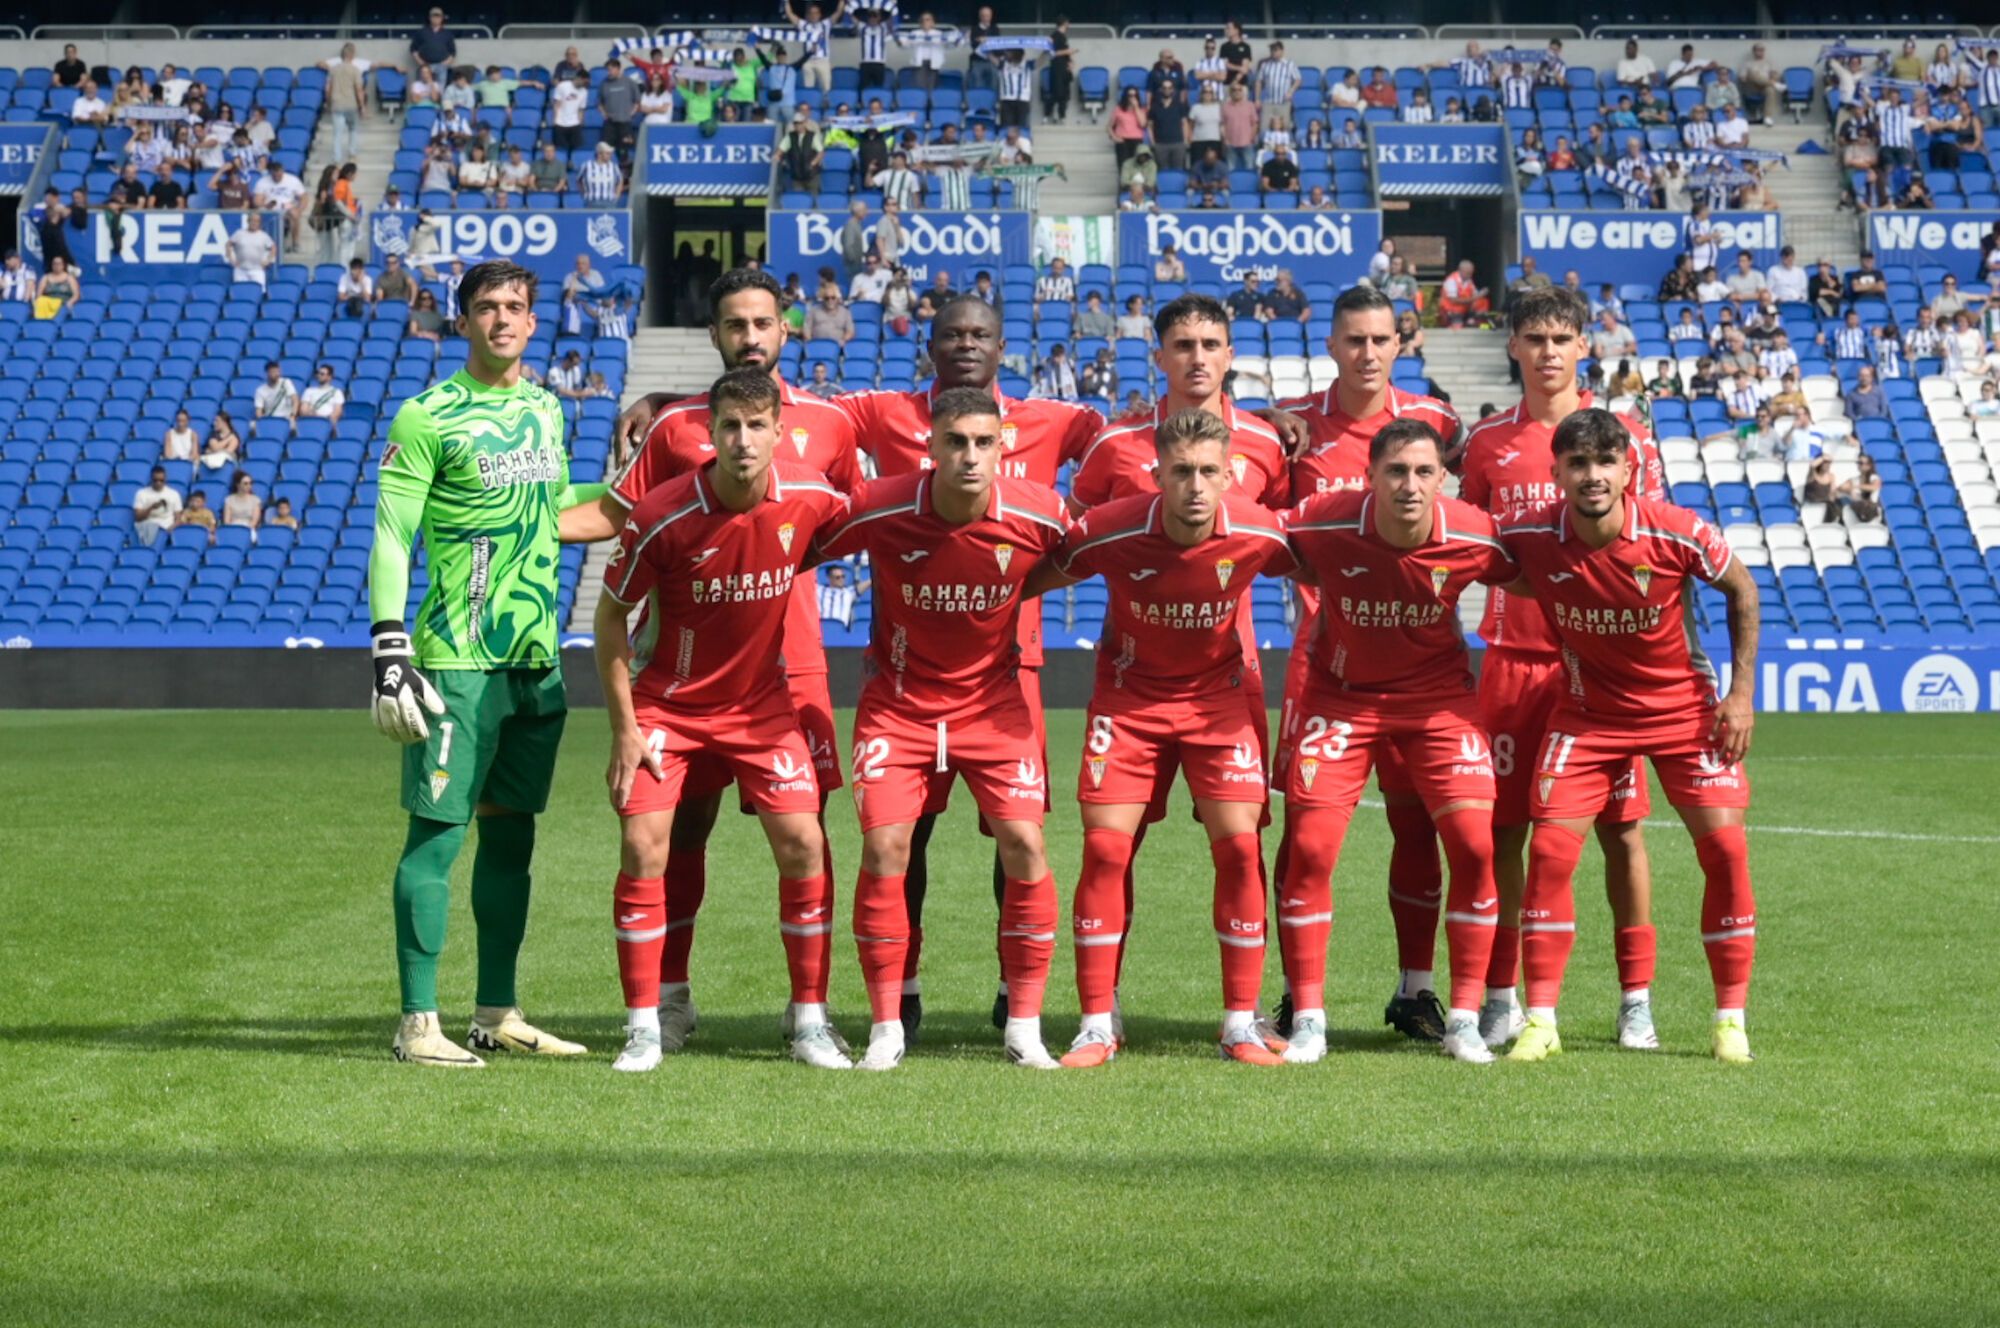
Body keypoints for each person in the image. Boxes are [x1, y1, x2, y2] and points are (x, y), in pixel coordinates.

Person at [368, 259, 605, 1069]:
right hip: (456, 662)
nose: (501, 319)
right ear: (462, 321)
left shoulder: (544, 409)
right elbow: (393, 533)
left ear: (534, 321)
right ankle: (416, 1023)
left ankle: (497, 1012)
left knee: (513, 842)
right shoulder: (427, 414)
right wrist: (390, 645)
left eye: (515, 306)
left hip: (534, 660)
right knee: (436, 839)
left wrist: (650, 490)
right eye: (485, 307)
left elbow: (556, 513)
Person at [593, 367, 851, 1072]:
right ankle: (645, 1026)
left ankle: (809, 1023)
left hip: (762, 707)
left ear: (778, 432)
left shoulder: (812, 497)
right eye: (730, 426)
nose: (743, 440)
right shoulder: (665, 515)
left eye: (756, 426)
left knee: (805, 841)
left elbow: (872, 527)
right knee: (646, 847)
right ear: (709, 433)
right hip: (668, 705)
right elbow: (609, 620)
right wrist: (624, 729)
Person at [1024, 408, 1296, 1068]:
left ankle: (1238, 1023)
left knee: (1238, 849)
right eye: (1181, 472)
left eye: (1208, 472)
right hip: (1131, 704)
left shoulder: (1261, 531)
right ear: (1157, 475)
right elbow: (1032, 578)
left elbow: (1330, 570)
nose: (1196, 486)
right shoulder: (1109, 532)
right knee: (1106, 852)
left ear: (1230, 475)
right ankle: (1095, 1023)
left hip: (1218, 705)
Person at [813, 386, 1071, 1071]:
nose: (969, 456)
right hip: (898, 707)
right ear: (929, 447)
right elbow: (797, 546)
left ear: (1004, 445)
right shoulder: (883, 505)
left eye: (983, 442)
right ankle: (886, 1026)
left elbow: (1083, 554)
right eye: (955, 442)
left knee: (1024, 844)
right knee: (887, 851)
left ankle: (1023, 1025)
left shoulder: (1040, 512)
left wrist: (1019, 584)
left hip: (995, 706)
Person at [1498, 408, 1761, 1065]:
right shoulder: (1531, 534)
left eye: (1605, 462)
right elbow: (1474, 558)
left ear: (1628, 469)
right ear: (1555, 472)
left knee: (1725, 851)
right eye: (1578, 463)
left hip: (1684, 712)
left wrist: (1740, 695)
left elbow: (1742, 588)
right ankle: (1541, 1021)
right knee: (1552, 855)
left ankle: (1730, 1020)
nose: (1592, 476)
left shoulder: (1676, 532)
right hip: (1587, 715)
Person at [1456, 287, 1665, 1052]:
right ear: (1512, 346)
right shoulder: (1484, 445)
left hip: (1601, 672)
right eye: (1534, 337)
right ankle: (1504, 996)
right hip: (1512, 663)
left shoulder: (1628, 437)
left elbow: (1654, 549)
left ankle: (1634, 999)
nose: (1548, 351)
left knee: (1622, 834)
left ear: (1585, 346)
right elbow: (1474, 549)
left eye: (1561, 337)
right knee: (1503, 831)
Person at [1273, 418, 1513, 1065]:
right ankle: (1310, 1020)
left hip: (1437, 704)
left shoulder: (1472, 531)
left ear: (1443, 478)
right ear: (1371, 475)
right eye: (1396, 472)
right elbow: (1257, 543)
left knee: (1473, 845)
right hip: (1341, 702)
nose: (1410, 485)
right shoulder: (1323, 520)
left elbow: (1535, 574)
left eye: (1423, 472)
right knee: (1312, 849)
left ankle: (1462, 1017)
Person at [1266, 285, 1464, 1040]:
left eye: (1382, 339)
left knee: (1419, 831)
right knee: (1307, 838)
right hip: (1328, 671)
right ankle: (1297, 995)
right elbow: (1272, 532)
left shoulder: (1435, 426)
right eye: (1354, 340)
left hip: (1421, 674)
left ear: (1401, 344)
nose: (1369, 353)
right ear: (1331, 345)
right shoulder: (1296, 429)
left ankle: (1415, 992)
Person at [131, 467, 183, 545]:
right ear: (151, 479)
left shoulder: (174, 494)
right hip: (147, 527)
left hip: (166, 529)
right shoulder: (141, 493)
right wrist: (151, 508)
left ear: (165, 479)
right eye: (155, 480)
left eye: (161, 480)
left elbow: (178, 518)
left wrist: (172, 528)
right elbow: (137, 517)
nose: (158, 483)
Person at [1438, 260, 1491, 327]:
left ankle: (1476, 319)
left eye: (1471, 273)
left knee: (1483, 301)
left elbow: (1474, 294)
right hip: (1451, 313)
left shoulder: (1468, 281)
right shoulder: (1451, 281)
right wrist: (1474, 298)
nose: (1470, 275)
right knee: (1457, 328)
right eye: (1468, 273)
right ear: (1461, 270)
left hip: (1464, 312)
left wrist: (1481, 294)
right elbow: (1454, 300)